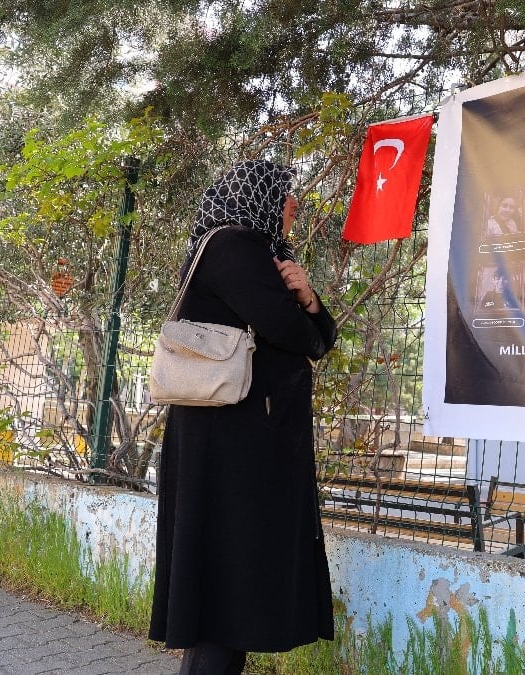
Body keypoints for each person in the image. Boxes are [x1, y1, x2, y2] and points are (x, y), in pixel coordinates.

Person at [149, 160, 337, 675]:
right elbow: (295, 334)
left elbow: (316, 337)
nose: (293, 205)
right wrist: (305, 314)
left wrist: (310, 299)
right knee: (227, 586)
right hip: (231, 448)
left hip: (237, 444)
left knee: (232, 587)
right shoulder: (235, 247)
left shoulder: (263, 255)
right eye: (285, 195)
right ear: (258, 198)